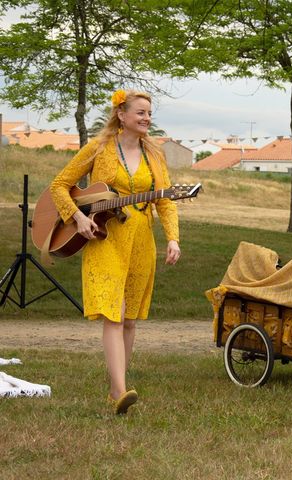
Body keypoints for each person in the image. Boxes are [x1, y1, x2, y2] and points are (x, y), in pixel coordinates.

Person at [49, 89, 181, 414]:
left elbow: (164, 201)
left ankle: (114, 388)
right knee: (115, 313)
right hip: (105, 239)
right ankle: (122, 391)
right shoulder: (100, 148)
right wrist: (77, 217)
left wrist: (173, 239)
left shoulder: (155, 156)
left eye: (149, 113)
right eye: (141, 112)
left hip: (141, 240)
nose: (147, 118)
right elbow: (59, 185)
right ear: (122, 114)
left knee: (131, 319)